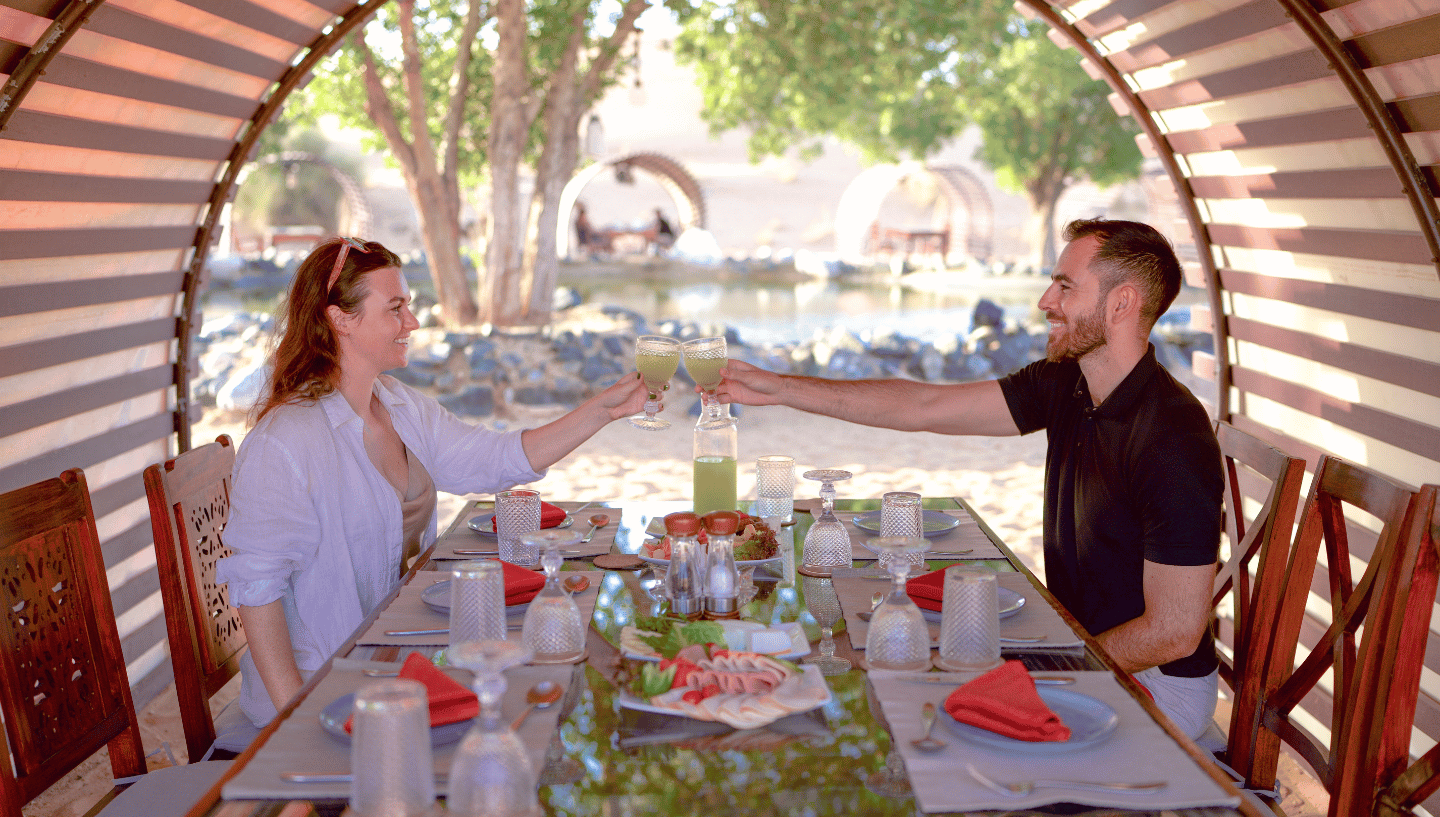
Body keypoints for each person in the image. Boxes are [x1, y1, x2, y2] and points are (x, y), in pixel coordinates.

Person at [715, 219, 1223, 739]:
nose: (1045, 300)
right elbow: (924, 404)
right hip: (1081, 641)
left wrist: (1042, 664)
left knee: (929, 704)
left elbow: (1173, 633)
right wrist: (779, 388)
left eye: (1065, 286)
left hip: (1153, 683)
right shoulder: (1068, 383)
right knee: (902, 659)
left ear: (1121, 304)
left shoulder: (1172, 436)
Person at [216, 237, 651, 727]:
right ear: (340, 319)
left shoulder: (398, 404)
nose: (414, 323)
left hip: (398, 670)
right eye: (396, 308)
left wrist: (603, 411)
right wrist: (295, 725)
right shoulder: (286, 442)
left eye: (410, 307)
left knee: (542, 693)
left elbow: (495, 458)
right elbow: (258, 592)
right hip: (321, 697)